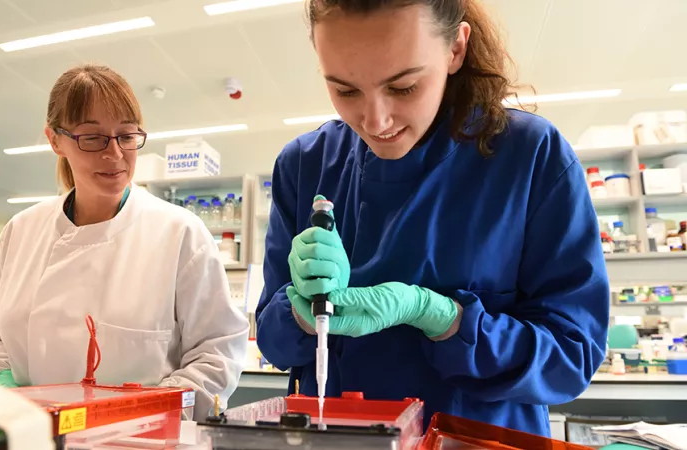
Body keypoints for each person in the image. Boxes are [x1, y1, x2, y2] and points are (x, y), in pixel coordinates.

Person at [256, 0, 609, 437]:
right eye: (345, 90)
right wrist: (302, 313)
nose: (375, 120)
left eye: (403, 87)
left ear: (455, 49)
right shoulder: (305, 164)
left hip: (473, 440)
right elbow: (272, 343)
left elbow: (570, 359)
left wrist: (442, 316)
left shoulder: (531, 156)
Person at [0, 64, 249, 417]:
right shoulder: (21, 231)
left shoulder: (180, 233)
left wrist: (144, 413)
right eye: (92, 137)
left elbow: (217, 351)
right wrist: (3, 380)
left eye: (127, 136)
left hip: (142, 441)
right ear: (55, 139)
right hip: (31, 430)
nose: (115, 153)